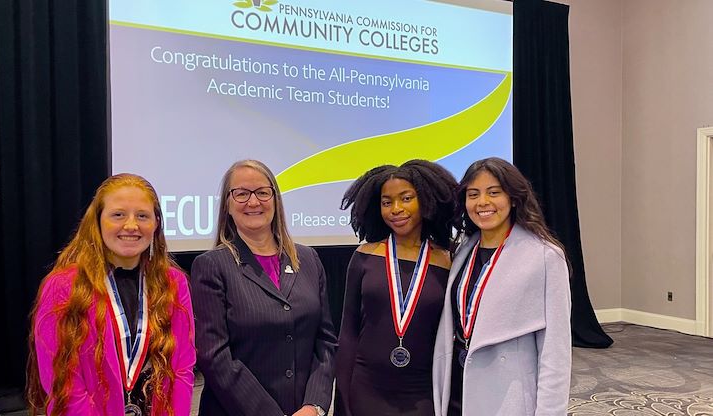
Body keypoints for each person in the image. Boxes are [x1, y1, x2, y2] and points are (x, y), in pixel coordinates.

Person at [26, 173, 196, 416]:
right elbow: (63, 384)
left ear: (156, 223)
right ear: (97, 222)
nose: (131, 225)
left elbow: (182, 369)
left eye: (142, 216)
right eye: (118, 215)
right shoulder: (63, 287)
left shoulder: (174, 283)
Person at [191, 159, 337, 416]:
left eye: (262, 192)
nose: (254, 202)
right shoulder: (211, 266)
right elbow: (214, 357)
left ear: (275, 199)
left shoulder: (309, 260)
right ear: (228, 204)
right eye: (242, 193)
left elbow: (325, 342)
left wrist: (314, 406)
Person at [432, 157, 572, 416]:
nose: (482, 202)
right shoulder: (464, 250)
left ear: (514, 198)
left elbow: (556, 350)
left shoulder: (544, 256)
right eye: (473, 194)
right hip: (459, 385)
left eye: (494, 192)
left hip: (509, 394)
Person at [336, 160, 458, 416]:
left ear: (425, 200)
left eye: (406, 198)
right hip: (366, 388)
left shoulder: (447, 260)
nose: (396, 209)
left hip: (422, 392)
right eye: (387, 202)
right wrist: (343, 398)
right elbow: (348, 331)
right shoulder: (365, 255)